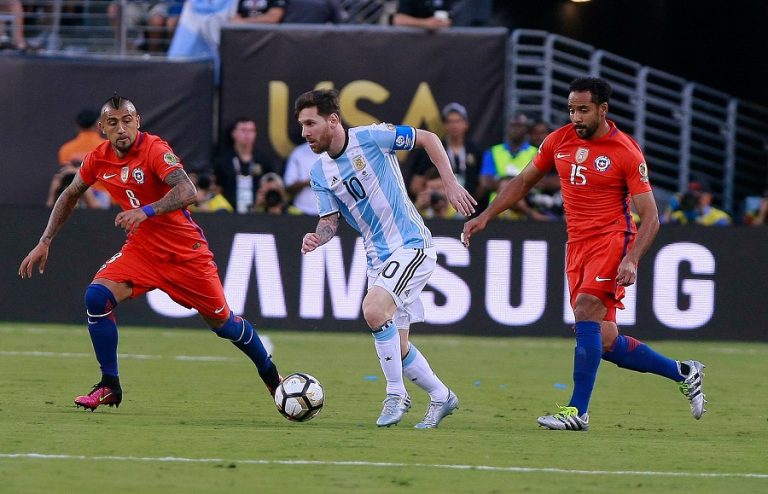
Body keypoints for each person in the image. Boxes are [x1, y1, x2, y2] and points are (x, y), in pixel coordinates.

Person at [462, 77, 707, 431]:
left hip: (612, 240)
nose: (575, 117)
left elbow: (651, 216)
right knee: (605, 340)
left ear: (602, 110)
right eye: (571, 110)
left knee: (584, 313)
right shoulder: (557, 140)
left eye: (583, 110)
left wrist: (632, 258)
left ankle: (578, 412)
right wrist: (485, 215)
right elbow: (522, 182)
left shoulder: (626, 151)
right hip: (576, 245)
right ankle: (684, 372)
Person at [19, 94, 282, 412]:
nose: (121, 129)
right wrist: (45, 240)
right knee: (96, 297)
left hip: (185, 253)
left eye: (127, 120)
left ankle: (272, 377)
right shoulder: (98, 159)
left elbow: (188, 191)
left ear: (138, 121)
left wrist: (147, 210)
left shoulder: (155, 149)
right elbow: (71, 193)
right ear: (102, 128)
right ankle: (109, 386)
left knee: (224, 324)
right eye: (113, 123)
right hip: (141, 250)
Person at [295, 89, 475, 428]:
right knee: (398, 345)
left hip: (411, 244)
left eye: (310, 123)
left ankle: (396, 394)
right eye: (301, 125)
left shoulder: (373, 137)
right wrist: (317, 237)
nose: (304, 133)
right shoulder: (320, 172)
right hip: (377, 256)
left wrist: (449, 184)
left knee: (373, 310)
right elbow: (329, 221)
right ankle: (441, 396)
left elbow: (429, 138)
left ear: (333, 120)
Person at [407, 102, 483, 210]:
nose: (454, 125)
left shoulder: (475, 151)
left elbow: (482, 185)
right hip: (437, 209)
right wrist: (433, 193)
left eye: (458, 121)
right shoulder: (431, 149)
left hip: (468, 209)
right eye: (449, 121)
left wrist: (471, 201)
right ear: (444, 125)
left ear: (466, 124)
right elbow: (415, 185)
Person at [478, 114, 545, 220]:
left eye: (520, 125)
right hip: (496, 214)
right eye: (513, 125)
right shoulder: (493, 151)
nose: (516, 129)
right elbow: (486, 181)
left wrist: (505, 182)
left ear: (526, 129)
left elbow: (539, 183)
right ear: (507, 128)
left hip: (525, 215)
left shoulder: (536, 153)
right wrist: (512, 184)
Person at [213, 117, 276, 214]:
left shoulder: (263, 160)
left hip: (258, 213)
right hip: (227, 213)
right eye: (243, 130)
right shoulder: (223, 160)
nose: (247, 134)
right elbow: (216, 187)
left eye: (251, 131)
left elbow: (273, 183)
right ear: (233, 133)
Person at [663, 180, 732, 226]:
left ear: (709, 197)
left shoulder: (720, 217)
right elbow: (660, 226)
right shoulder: (682, 214)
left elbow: (722, 236)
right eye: (692, 193)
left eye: (699, 193)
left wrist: (695, 220)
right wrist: (670, 209)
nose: (695, 196)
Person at [283, 142, 319, 215]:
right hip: (302, 212)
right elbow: (289, 187)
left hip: (332, 213)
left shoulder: (335, 151)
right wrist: (308, 183)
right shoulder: (298, 153)